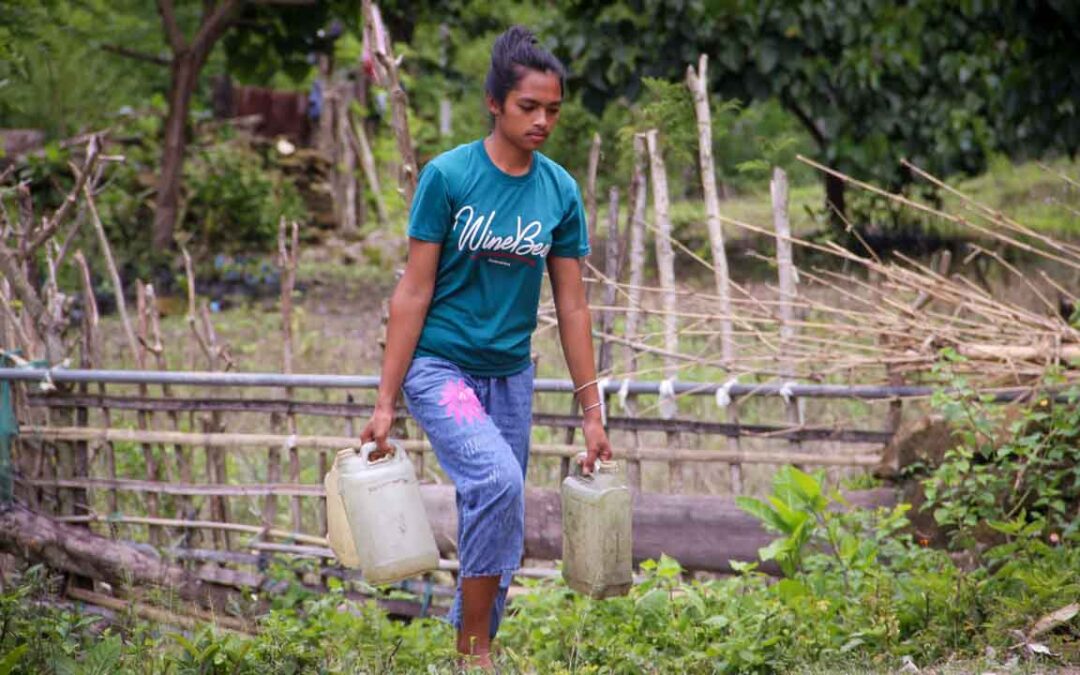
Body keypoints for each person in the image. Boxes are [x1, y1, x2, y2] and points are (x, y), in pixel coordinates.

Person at [360, 24, 613, 670]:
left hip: (511, 375)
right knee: (498, 481)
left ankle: (469, 642)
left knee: (499, 510)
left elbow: (574, 304)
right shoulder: (449, 178)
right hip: (441, 367)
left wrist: (592, 412)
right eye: (529, 106)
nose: (543, 121)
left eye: (553, 109)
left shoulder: (558, 191)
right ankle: (476, 653)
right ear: (495, 103)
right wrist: (386, 400)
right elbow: (413, 292)